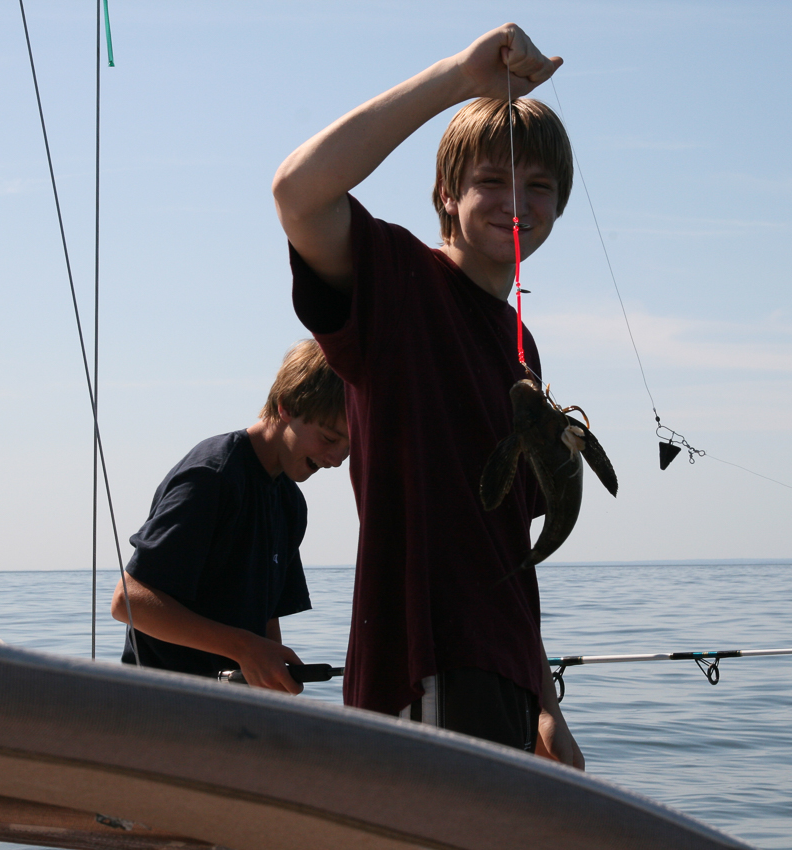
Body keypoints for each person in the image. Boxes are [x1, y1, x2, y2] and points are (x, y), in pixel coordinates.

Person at [273, 23, 584, 767]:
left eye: (539, 186)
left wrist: (545, 707)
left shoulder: (520, 346)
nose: (518, 203)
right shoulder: (401, 284)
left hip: (503, 677)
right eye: (492, 181)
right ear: (446, 194)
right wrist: (457, 78)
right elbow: (298, 192)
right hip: (426, 665)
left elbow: (504, 548)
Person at [110, 339, 349, 693]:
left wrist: (273, 682)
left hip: (233, 711)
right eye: (329, 438)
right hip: (163, 708)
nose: (338, 459)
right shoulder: (213, 476)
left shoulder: (290, 503)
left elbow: (267, 619)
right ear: (285, 407)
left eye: (350, 446)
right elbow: (129, 602)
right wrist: (244, 648)